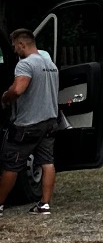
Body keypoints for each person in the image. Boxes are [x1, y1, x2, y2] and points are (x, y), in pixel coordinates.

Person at [1, 27, 61, 215]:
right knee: (47, 162)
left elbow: (18, 89)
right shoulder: (49, 63)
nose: (14, 50)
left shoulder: (25, 64)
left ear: (22, 44)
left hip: (28, 124)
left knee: (11, 165)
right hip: (50, 121)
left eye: (14, 46)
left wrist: (6, 97)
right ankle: (44, 204)